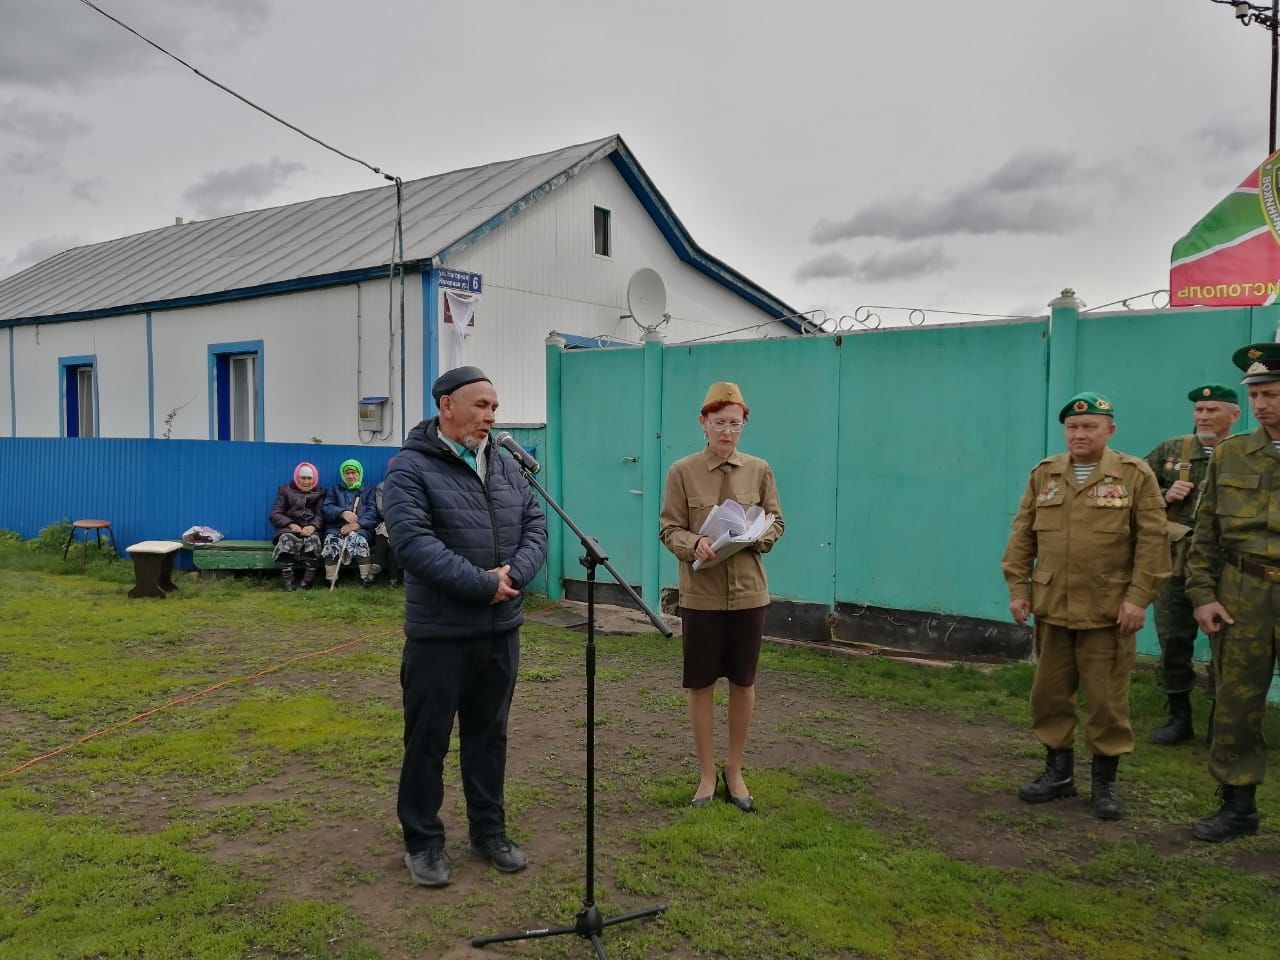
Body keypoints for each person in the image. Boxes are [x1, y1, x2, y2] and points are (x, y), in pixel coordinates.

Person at [383, 365, 548, 887]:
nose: (490, 416)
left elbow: (537, 526)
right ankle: (423, 841)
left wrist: (515, 575)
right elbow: (412, 543)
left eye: (495, 408)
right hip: (440, 635)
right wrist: (482, 584)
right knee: (427, 740)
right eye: (481, 406)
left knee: (488, 736)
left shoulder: (505, 466)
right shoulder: (408, 469)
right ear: (446, 406)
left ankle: (488, 831)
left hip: (500, 630)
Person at [1002, 392, 1170, 820]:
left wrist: (1138, 599)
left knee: (1106, 701)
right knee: (1049, 695)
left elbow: (1153, 541)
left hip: (1108, 611)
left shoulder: (1134, 475)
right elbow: (1023, 535)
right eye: (1073, 427)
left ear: (1109, 430)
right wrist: (1018, 588)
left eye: (1090, 426)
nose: (1080, 433)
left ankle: (1104, 784)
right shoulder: (1045, 474)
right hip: (1053, 606)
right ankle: (1058, 775)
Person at [659, 381, 784, 813]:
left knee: (743, 682)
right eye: (719, 423)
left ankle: (735, 770)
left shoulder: (760, 470)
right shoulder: (682, 471)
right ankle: (707, 773)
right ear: (703, 423)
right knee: (700, 683)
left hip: (749, 593)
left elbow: (776, 521)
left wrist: (756, 536)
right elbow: (668, 528)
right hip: (702, 595)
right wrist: (694, 544)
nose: (728, 432)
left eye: (736, 423)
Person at [1185, 343, 1280, 842]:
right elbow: (1205, 535)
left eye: (1273, 393)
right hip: (1242, 591)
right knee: (1236, 700)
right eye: (1257, 394)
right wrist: (1202, 594)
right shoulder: (1232, 454)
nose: (1263, 404)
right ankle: (1238, 805)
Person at [1143, 385, 1241, 745]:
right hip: (1176, 563)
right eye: (1198, 409)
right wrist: (1162, 497)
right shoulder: (1173, 451)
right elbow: (1127, 491)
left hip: (1226, 566)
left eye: (1212, 410)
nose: (1203, 416)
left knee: (1227, 645)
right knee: (1173, 639)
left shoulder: (1243, 454)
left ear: (1234, 415)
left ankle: (1222, 718)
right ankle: (1179, 716)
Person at [268, 461, 325, 591]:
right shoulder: (285, 490)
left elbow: (320, 515)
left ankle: (307, 580)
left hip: (310, 530)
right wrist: (291, 524)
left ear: (314, 478)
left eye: (309, 478)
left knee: (314, 541)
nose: (306, 481)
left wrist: (313, 527)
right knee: (286, 539)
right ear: (297, 477)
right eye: (303, 478)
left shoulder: (321, 493)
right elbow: (275, 513)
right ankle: (288, 580)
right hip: (289, 529)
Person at [321, 458, 377, 587]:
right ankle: (331, 579)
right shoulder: (334, 490)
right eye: (347, 473)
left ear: (359, 473)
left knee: (359, 541)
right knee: (331, 542)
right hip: (336, 528)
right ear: (343, 474)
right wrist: (342, 512)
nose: (350, 476)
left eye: (354, 472)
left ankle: (365, 579)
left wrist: (358, 524)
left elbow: (373, 512)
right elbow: (326, 508)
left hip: (361, 529)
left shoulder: (368, 490)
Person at [372, 457, 402, 587]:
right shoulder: (382, 487)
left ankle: (377, 565)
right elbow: (381, 509)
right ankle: (393, 579)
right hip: (389, 520)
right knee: (385, 529)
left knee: (391, 532)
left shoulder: (413, 485)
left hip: (407, 522)